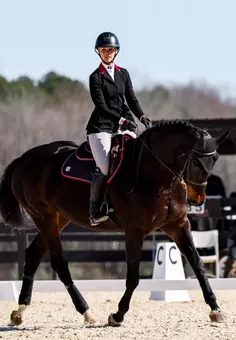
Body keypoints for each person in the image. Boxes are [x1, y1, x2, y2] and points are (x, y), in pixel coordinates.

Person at [85, 31, 152, 226]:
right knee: (105, 167)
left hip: (125, 121)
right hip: (102, 126)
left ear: (116, 52)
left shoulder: (123, 73)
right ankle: (94, 210)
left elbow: (131, 98)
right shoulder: (95, 77)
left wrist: (142, 116)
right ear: (98, 52)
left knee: (136, 157)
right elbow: (101, 107)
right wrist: (122, 121)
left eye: (111, 50)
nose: (107, 53)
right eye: (104, 50)